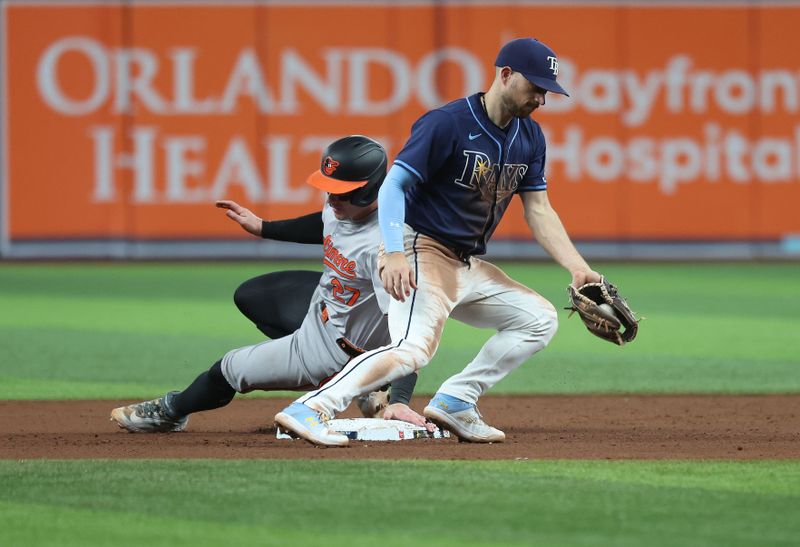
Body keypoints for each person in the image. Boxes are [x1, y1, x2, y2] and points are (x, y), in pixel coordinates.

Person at [275, 38, 603, 446]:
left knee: (538, 319)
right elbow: (395, 184)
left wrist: (576, 266)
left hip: (465, 264)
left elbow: (539, 209)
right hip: (421, 249)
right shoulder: (446, 123)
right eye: (535, 87)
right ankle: (311, 408)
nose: (541, 97)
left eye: (546, 90)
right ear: (504, 75)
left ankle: (456, 400)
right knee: (413, 350)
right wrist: (394, 250)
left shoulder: (530, 137)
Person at [110, 136, 428, 436]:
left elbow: (409, 334)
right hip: (328, 305)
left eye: (340, 192)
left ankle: (171, 410)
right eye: (329, 188)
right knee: (252, 297)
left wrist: (399, 399)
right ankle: (368, 385)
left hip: (335, 351)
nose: (331, 198)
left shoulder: (386, 247)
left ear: (366, 191)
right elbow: (323, 223)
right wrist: (263, 227)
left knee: (229, 368)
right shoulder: (342, 206)